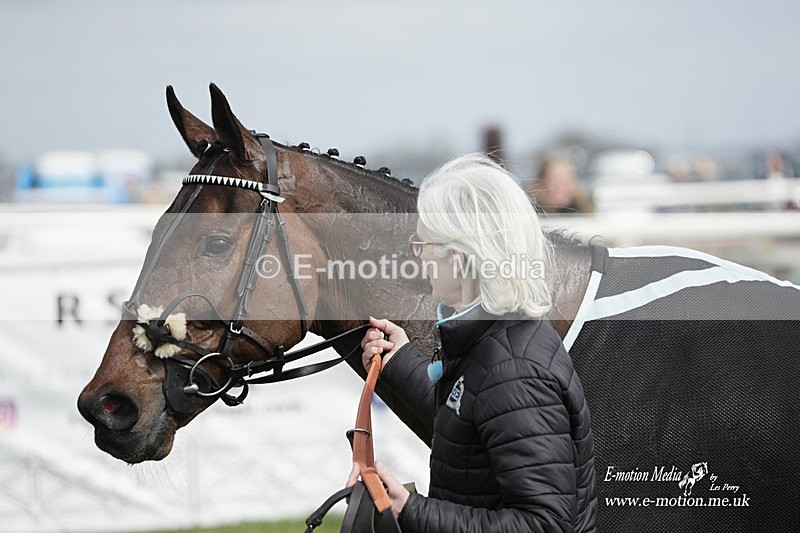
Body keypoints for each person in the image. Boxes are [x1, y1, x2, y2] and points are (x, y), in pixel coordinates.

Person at [349, 154, 598, 532]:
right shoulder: (493, 337)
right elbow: (464, 428)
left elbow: (544, 525)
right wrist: (398, 358)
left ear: (460, 257)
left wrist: (410, 510)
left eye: (424, 244)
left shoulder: (513, 370)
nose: (418, 256)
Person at [527, 156, 594, 214]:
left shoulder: (583, 209)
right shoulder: (529, 210)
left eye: (567, 180)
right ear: (540, 181)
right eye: (555, 180)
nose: (562, 187)